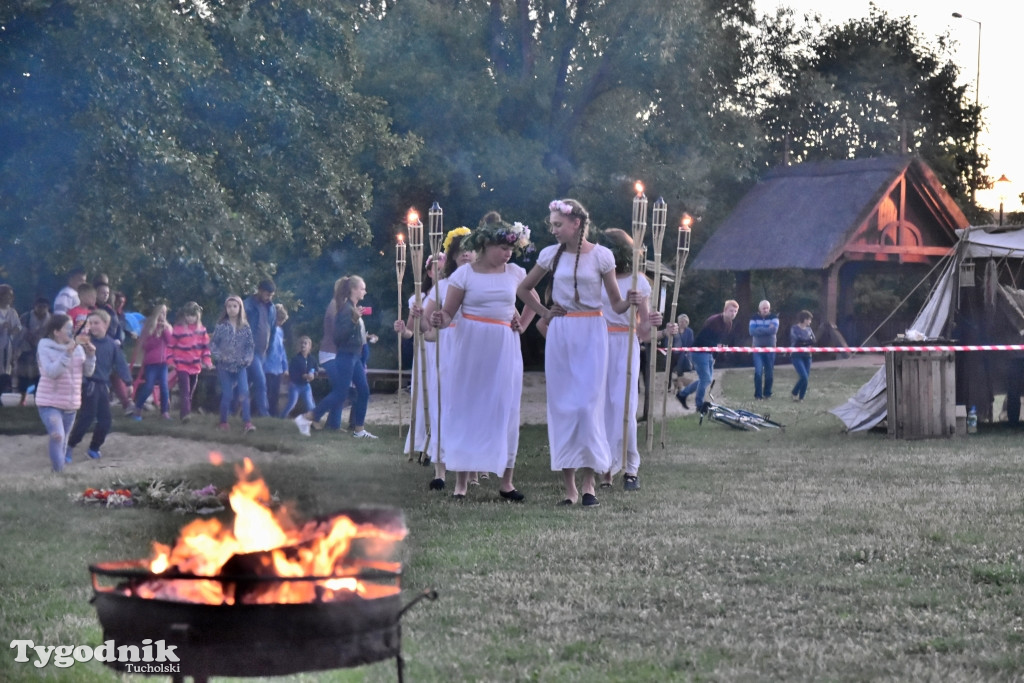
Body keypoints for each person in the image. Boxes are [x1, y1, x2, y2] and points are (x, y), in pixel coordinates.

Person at [516, 199, 636, 508]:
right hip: (562, 333)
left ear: (576, 224)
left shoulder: (602, 256)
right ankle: (570, 488)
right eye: (552, 225)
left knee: (587, 407)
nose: (553, 230)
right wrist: (545, 311)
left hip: (593, 333)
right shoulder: (549, 255)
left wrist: (631, 301)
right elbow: (523, 289)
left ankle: (590, 482)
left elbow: (616, 303)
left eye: (558, 224)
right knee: (564, 408)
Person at [431, 213, 535, 501]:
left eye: (511, 250)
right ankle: (461, 483)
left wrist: (523, 324)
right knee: (468, 406)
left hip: (504, 344)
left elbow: (533, 301)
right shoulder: (463, 274)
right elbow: (450, 312)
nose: (507, 254)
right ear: (486, 245)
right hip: (471, 344)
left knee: (504, 407)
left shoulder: (515, 273)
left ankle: (506, 482)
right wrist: (441, 317)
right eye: (502, 248)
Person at [597, 229, 665, 492]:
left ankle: (630, 466)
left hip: (626, 344)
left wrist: (655, 321)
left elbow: (645, 329)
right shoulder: (598, 278)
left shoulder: (639, 282)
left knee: (624, 405)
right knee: (601, 406)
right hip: (599, 342)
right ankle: (605, 467)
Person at [410, 228, 474, 490]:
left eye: (471, 250)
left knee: (467, 408)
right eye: (462, 252)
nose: (467, 255)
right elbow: (426, 326)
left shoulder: (480, 282)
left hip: (472, 346)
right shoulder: (443, 286)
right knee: (442, 406)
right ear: (454, 256)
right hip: (447, 348)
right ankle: (440, 470)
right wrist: (422, 317)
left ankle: (469, 468)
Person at [294, 276, 376, 439]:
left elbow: (353, 334)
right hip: (345, 356)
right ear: (353, 290)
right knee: (340, 392)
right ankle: (306, 418)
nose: (364, 291)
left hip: (355, 357)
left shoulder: (352, 308)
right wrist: (354, 320)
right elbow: (338, 337)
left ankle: (359, 430)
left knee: (364, 391)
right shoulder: (345, 309)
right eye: (362, 288)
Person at [394, 252, 444, 469]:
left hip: (446, 351)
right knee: (426, 397)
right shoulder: (418, 298)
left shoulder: (453, 293)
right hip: (425, 354)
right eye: (438, 270)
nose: (441, 274)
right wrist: (402, 330)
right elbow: (410, 333)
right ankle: (424, 444)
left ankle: (440, 446)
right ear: (430, 272)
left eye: (445, 270)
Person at [65, 309, 132, 462]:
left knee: (106, 420)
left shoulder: (112, 345)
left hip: (103, 386)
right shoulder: (83, 341)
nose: (93, 326)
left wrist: (128, 382)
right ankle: (69, 446)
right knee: (86, 418)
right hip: (88, 385)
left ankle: (94, 448)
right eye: (91, 323)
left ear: (106, 324)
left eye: (97, 323)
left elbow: (120, 364)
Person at [35, 314, 95, 472]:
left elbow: (88, 372)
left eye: (72, 328)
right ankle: (59, 472)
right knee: (58, 435)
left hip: (71, 403)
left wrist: (91, 356)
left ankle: (57, 472)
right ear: (56, 332)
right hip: (49, 402)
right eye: (67, 328)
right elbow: (51, 372)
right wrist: (67, 354)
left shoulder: (79, 349)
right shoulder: (45, 347)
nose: (71, 331)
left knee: (64, 439)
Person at [676, 299, 740, 413]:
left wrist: (714, 356)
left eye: (735, 311)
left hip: (709, 353)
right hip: (699, 351)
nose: (733, 313)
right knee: (705, 379)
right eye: (731, 311)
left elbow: (718, 340)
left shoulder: (729, 324)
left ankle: (682, 394)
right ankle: (699, 406)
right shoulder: (714, 321)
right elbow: (704, 339)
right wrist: (716, 346)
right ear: (725, 310)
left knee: (706, 380)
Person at [210, 295, 255, 432]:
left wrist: (247, 359)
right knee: (227, 394)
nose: (232, 309)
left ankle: (247, 422)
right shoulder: (221, 326)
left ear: (240, 308)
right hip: (224, 366)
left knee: (244, 393)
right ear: (226, 308)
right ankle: (223, 421)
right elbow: (212, 344)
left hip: (240, 366)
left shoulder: (245, 327)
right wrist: (219, 356)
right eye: (229, 306)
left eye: (235, 306)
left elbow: (250, 346)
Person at [169, 301, 212, 422]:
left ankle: (186, 411)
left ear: (198, 316)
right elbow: (170, 347)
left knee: (191, 391)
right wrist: (171, 361)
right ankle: (185, 414)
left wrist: (207, 361)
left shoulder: (202, 330)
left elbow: (205, 348)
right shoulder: (178, 330)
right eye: (188, 315)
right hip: (181, 365)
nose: (190, 318)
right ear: (184, 315)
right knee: (185, 390)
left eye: (193, 315)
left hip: (195, 366)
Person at [131, 304, 174, 420]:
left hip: (163, 362)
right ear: (156, 314)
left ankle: (164, 411)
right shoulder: (150, 327)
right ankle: (138, 408)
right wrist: (156, 335)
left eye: (164, 313)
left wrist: (164, 331)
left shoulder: (167, 328)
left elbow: (171, 342)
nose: (162, 316)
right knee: (149, 385)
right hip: (151, 362)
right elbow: (146, 346)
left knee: (164, 387)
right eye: (161, 313)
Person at [243, 279, 277, 417]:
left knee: (247, 382)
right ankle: (264, 413)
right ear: (260, 290)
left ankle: (229, 411)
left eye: (271, 295)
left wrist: (270, 349)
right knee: (261, 381)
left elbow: (272, 329)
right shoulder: (248, 305)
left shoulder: (272, 308)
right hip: (250, 351)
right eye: (267, 294)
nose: (269, 297)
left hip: (263, 352)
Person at [16, 297, 50, 405]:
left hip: (43, 353)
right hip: (26, 351)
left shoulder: (51, 320)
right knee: (23, 378)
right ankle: (23, 399)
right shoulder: (26, 317)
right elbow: (19, 332)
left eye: (44, 307)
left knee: (40, 378)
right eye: (39, 306)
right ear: (34, 306)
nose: (41, 309)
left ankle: (38, 399)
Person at [279, 335, 317, 418]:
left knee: (310, 404)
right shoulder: (295, 359)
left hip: (306, 385)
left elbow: (315, 369)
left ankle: (314, 419)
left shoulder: (312, 359)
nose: (303, 345)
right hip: (295, 385)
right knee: (292, 403)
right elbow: (292, 373)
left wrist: (313, 375)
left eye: (305, 343)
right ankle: (281, 417)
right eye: (301, 343)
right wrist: (302, 376)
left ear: (309, 346)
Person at [749, 299, 779, 400]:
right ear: (759, 309)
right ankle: (758, 395)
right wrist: (767, 329)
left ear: (769, 308)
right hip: (757, 349)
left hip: (770, 348)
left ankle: (767, 394)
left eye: (767, 308)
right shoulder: (754, 317)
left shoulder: (774, 317)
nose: (765, 310)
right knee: (758, 372)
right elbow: (751, 331)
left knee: (769, 372)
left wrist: (759, 329)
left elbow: (774, 330)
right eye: (763, 308)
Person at [265, 303, 289, 417]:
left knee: (275, 394)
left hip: (277, 368)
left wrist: (285, 367)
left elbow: (282, 350)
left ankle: (274, 415)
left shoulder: (280, 331)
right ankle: (263, 414)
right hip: (266, 367)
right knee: (266, 392)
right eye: (279, 321)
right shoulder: (266, 330)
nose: (279, 324)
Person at [0, 284, 22, 401]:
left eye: (11, 296)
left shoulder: (12, 312)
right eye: (7, 295)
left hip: (8, 346)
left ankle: (3, 395)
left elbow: (18, 326)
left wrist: (15, 330)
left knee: (6, 371)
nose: (10, 298)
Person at [790, 310, 815, 402]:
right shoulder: (794, 328)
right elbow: (797, 341)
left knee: (806, 378)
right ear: (804, 319)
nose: (810, 322)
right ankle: (794, 392)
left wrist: (805, 342)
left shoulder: (809, 330)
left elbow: (813, 340)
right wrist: (805, 341)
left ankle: (801, 397)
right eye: (809, 320)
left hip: (807, 355)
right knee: (803, 376)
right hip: (796, 355)